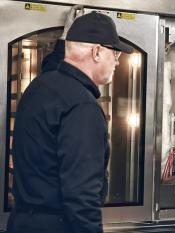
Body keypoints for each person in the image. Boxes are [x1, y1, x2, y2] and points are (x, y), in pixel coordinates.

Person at [7, 11, 133, 233]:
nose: (117, 61)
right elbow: (81, 198)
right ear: (97, 52)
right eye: (115, 53)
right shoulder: (82, 106)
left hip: (22, 222)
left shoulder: (39, 87)